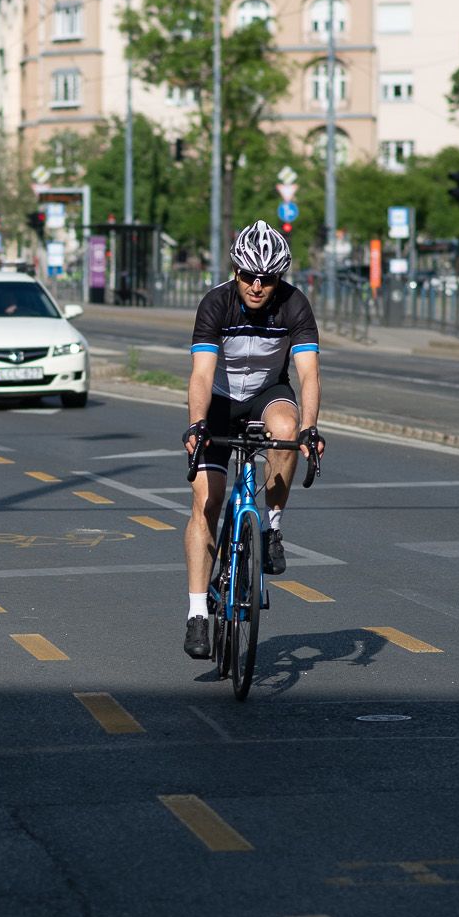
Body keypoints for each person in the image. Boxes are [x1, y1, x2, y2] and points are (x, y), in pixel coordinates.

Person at [180, 221, 325, 660]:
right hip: (221, 400)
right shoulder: (216, 304)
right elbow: (202, 375)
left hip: (267, 393)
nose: (258, 286)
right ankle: (197, 613)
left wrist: (310, 429)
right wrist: (198, 424)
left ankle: (273, 528)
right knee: (207, 500)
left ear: (279, 278)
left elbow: (308, 374)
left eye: (268, 278)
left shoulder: (294, 306)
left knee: (286, 429)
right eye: (248, 276)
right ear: (236, 271)